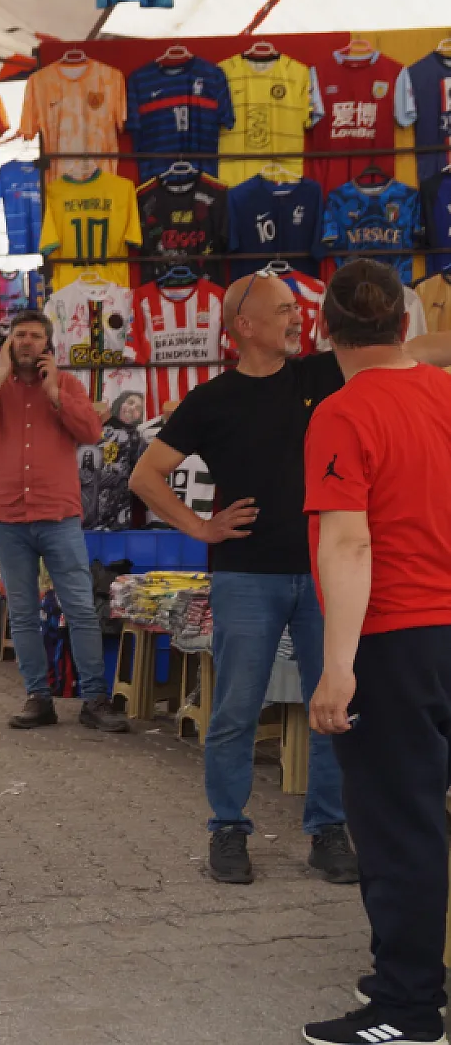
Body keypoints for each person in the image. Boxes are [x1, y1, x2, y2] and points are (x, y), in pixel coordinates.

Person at [128, 272, 359, 886]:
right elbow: (145, 477)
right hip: (245, 577)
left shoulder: (320, 375)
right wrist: (200, 527)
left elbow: (406, 353)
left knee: (332, 705)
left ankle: (328, 828)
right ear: (244, 325)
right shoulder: (211, 399)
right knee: (234, 709)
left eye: (296, 308)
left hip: (321, 572)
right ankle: (228, 829)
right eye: (283, 309)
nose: (296, 318)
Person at [300, 260, 451, 1045]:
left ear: (325, 331)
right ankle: (414, 971)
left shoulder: (342, 412)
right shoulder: (445, 394)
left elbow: (349, 541)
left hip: (394, 638)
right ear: (404, 323)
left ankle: (408, 1006)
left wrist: (337, 664)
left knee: (399, 825)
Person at [0, 311, 130, 733]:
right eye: (20, 335)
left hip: (58, 515)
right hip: (9, 516)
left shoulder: (66, 384)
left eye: (35, 335)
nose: (27, 342)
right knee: (23, 611)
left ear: (48, 345)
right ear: (8, 342)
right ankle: (38, 697)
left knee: (81, 609)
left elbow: (90, 430)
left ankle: (94, 699)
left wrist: (54, 391)